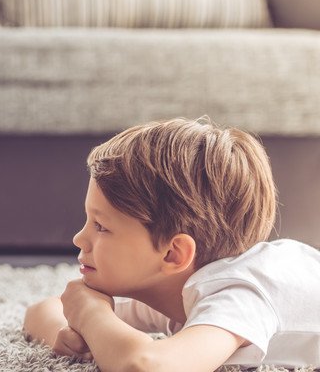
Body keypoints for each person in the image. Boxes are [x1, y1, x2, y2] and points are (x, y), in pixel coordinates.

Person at [24, 118, 320, 370]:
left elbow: (147, 365)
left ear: (173, 254)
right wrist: (64, 333)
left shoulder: (237, 294)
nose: (79, 238)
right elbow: (41, 310)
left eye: (101, 226)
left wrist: (91, 315)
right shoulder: (171, 287)